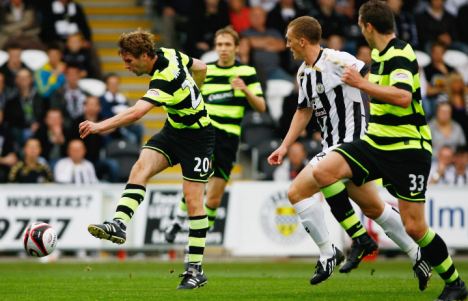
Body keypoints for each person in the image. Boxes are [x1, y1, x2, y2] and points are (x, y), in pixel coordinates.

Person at [311, 2, 467, 300]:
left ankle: (454, 282)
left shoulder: (400, 52)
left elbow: (403, 97)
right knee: (324, 171)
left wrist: (361, 83)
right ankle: (361, 239)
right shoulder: (379, 56)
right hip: (376, 142)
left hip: (407, 148)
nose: (360, 31)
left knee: (415, 227)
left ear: (368, 26)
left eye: (360, 26)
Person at [267, 15, 431, 288]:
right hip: (331, 146)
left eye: (289, 39)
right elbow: (303, 111)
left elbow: (370, 80)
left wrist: (383, 122)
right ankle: (417, 255)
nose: (287, 45)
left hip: (354, 143)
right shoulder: (303, 73)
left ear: (302, 40)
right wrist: (284, 146)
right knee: (374, 207)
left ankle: (333, 249)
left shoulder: (337, 60)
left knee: (299, 190)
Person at [79, 30, 215, 290]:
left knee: (194, 200)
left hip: (199, 137)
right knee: (140, 167)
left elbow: (137, 112)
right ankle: (119, 224)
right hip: (174, 130)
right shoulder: (169, 53)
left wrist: (99, 126)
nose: (125, 66)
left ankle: (195, 270)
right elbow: (201, 67)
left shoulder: (163, 79)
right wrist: (197, 92)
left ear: (144, 56)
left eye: (129, 60)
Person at [164, 26, 266, 243]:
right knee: (196, 182)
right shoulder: (205, 70)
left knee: (214, 197)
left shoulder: (247, 72)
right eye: (219, 44)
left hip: (229, 138)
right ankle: (178, 220)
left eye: (228, 44)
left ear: (237, 48)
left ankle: (198, 240)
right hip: (206, 133)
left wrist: (245, 90)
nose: (223, 49)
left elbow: (261, 107)